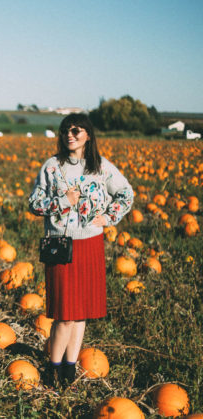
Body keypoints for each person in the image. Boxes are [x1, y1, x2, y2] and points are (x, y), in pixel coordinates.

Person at [28, 113, 133, 387]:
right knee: (65, 315)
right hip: (61, 246)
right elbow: (34, 203)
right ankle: (53, 369)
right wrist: (63, 200)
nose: (70, 135)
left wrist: (109, 218)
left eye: (76, 130)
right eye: (65, 131)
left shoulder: (100, 166)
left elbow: (126, 194)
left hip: (90, 244)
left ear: (88, 134)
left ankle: (70, 369)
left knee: (81, 313)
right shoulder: (52, 167)